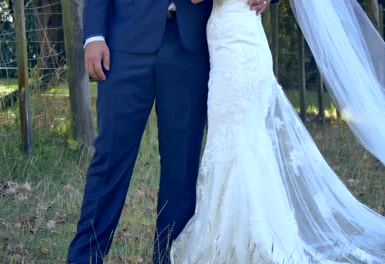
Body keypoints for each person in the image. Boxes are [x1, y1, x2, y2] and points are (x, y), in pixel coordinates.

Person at [170, 0, 385, 263]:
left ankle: (246, 240)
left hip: (238, 46)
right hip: (234, 40)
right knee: (238, 142)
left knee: (238, 142)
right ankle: (235, 236)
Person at [67, 0, 272, 263]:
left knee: (182, 167)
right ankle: (84, 257)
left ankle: (169, 257)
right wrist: (94, 35)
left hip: (191, 44)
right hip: (125, 40)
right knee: (109, 158)